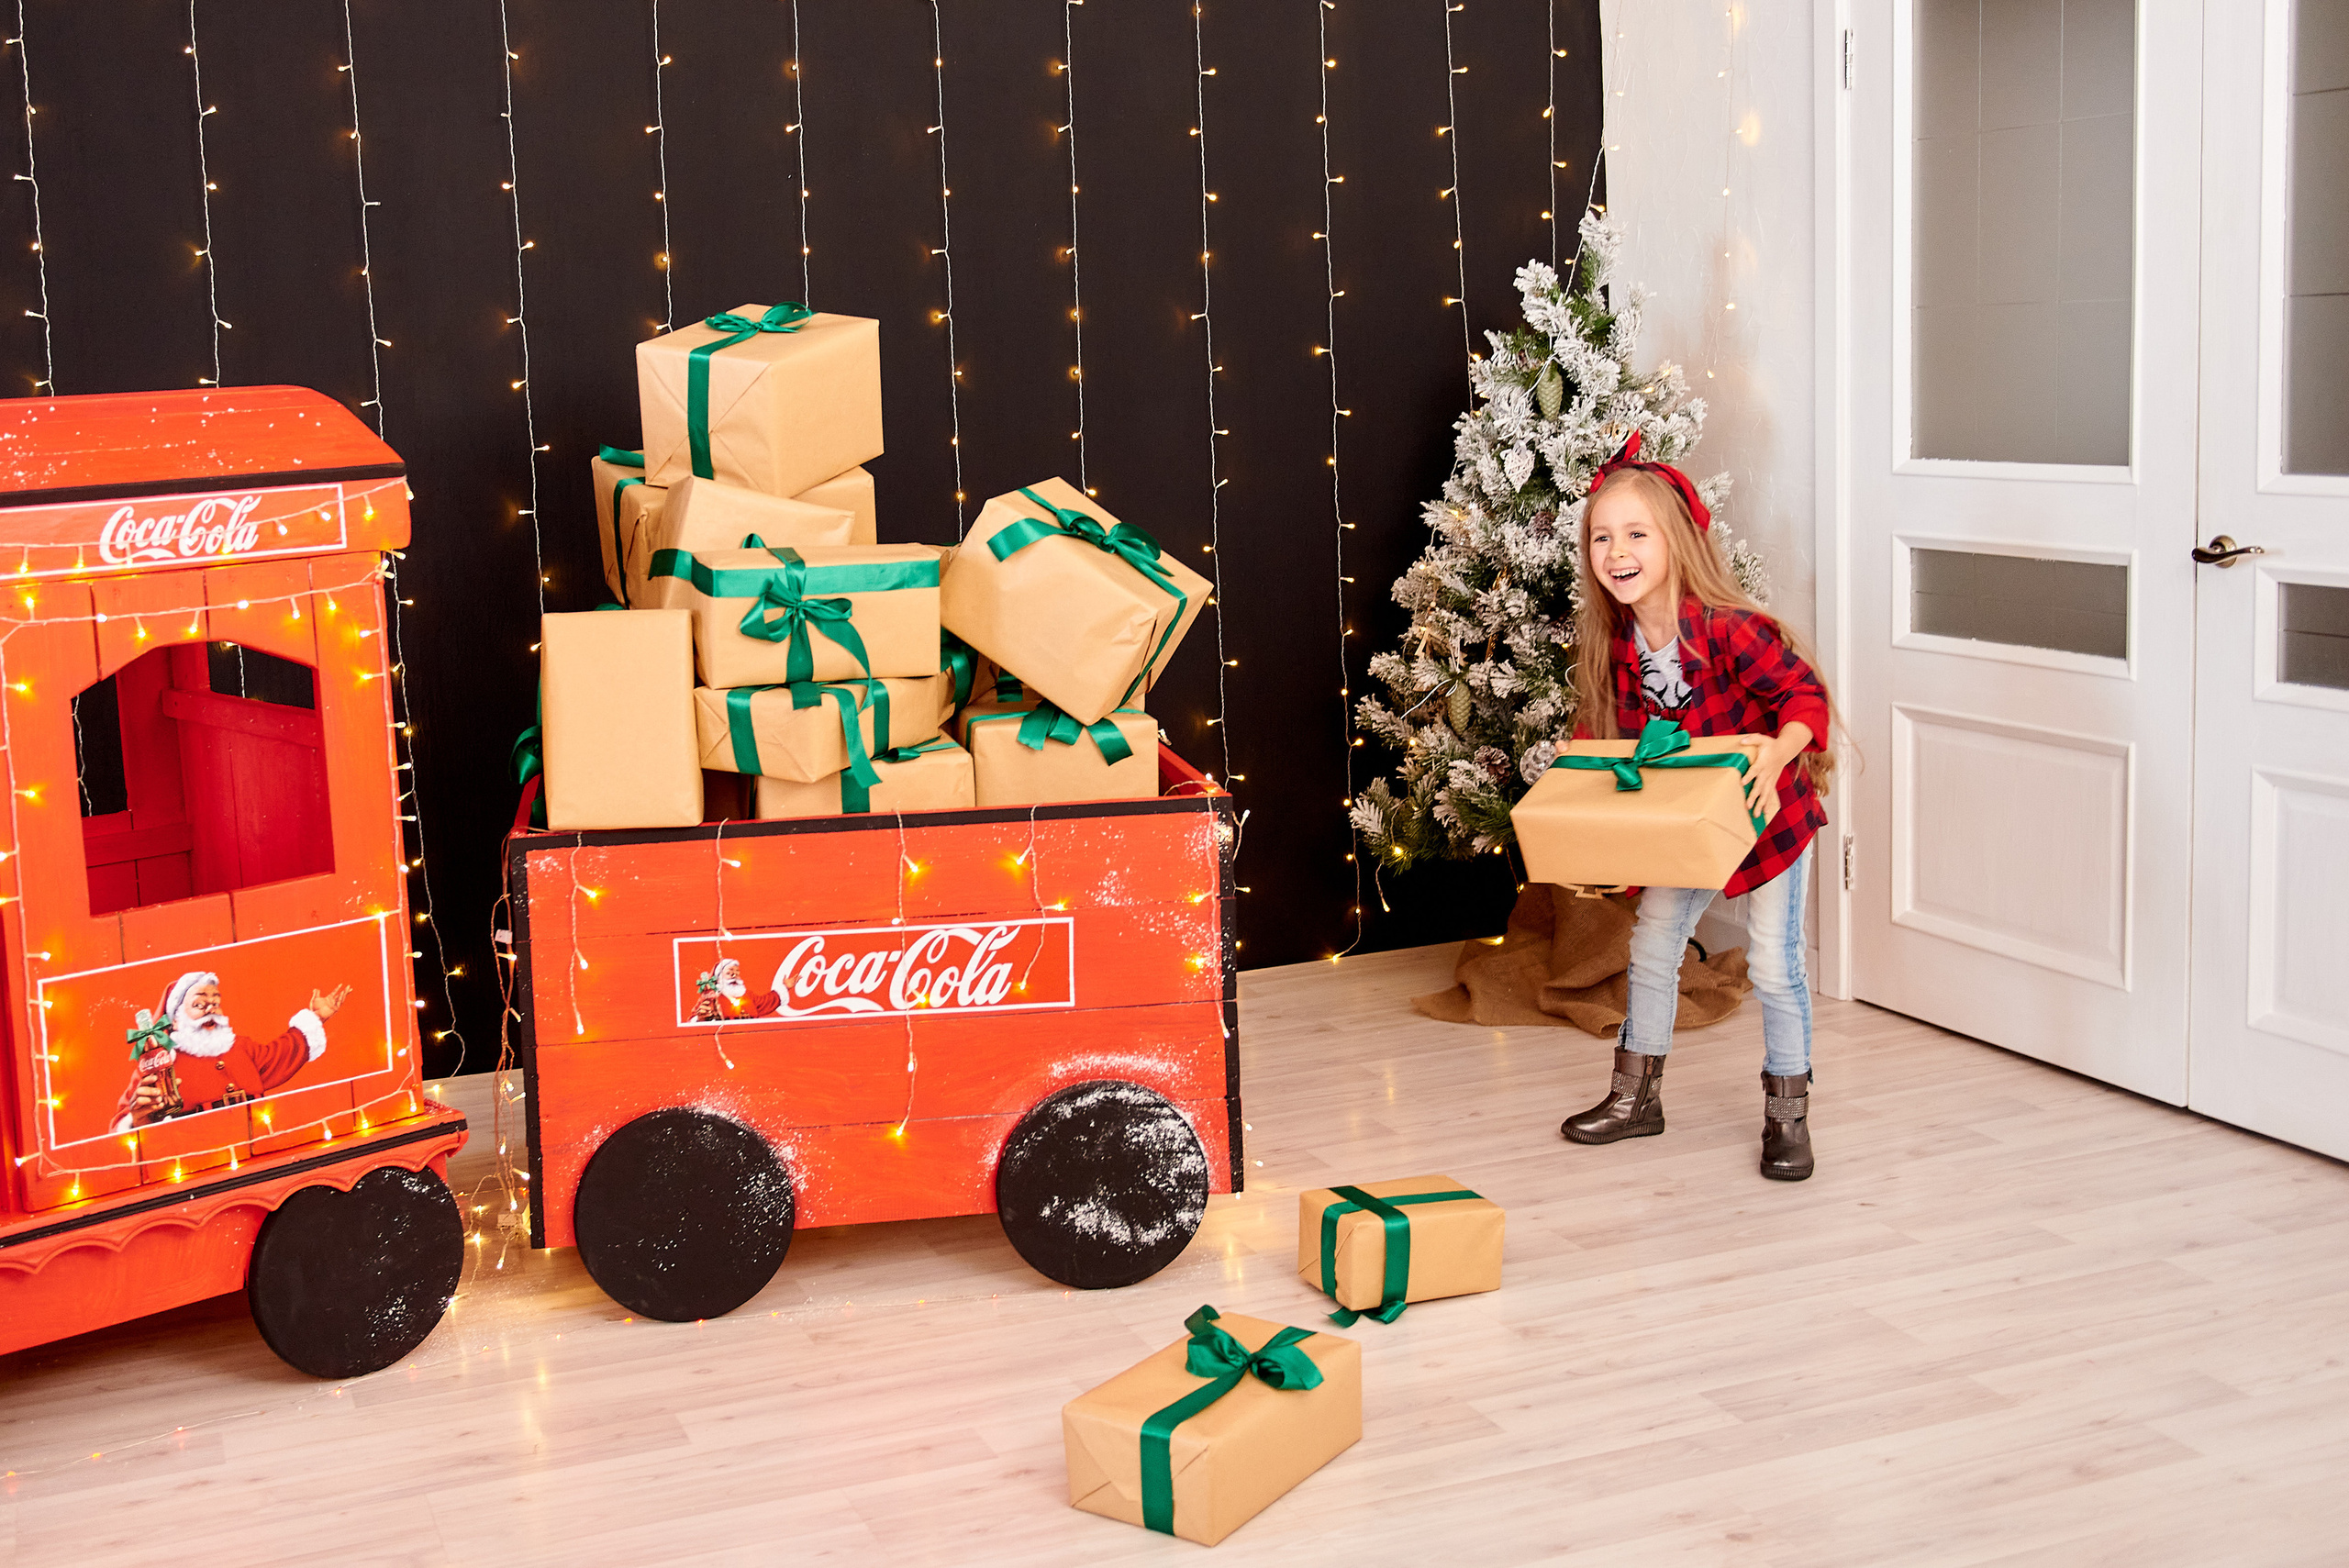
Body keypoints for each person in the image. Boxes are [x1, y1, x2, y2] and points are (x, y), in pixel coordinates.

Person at [1556, 434, 1837, 1180]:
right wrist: (1576, 779)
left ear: (1677, 540)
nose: (1616, 550)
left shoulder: (1726, 627)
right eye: (1601, 537)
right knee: (1652, 947)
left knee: (1776, 967)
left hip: (1766, 818)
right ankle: (1635, 1096)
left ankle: (1788, 1117)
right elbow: (1606, 735)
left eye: (1636, 534)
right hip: (1690, 822)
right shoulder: (1618, 641)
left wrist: (1778, 754)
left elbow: (1804, 697)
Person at [112, 971, 351, 1132]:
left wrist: (317, 1018)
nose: (211, 1009)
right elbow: (124, 1123)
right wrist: (138, 1118)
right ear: (175, 1019)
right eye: (199, 1004)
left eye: (215, 1002)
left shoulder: (240, 1048)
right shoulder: (161, 1063)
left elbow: (280, 1055)